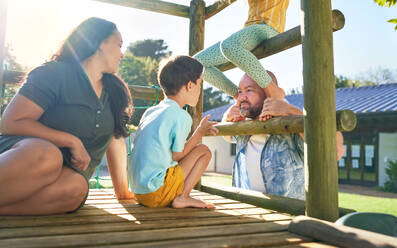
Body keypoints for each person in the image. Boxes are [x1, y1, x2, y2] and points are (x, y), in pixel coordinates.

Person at [0, 17, 134, 215]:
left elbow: (115, 139)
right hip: (24, 158)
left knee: (77, 188)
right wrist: (71, 141)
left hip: (65, 175)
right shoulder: (54, 73)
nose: (122, 54)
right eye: (119, 45)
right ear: (98, 43)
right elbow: (11, 123)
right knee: (48, 156)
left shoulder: (115, 91)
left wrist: (122, 190)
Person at [222, 73, 345, 200]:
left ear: (268, 95)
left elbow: (335, 150)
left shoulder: (288, 126)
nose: (241, 97)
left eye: (249, 90)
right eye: (240, 91)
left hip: (289, 215)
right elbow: (226, 137)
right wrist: (227, 116)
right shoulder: (244, 127)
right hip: (249, 210)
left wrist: (290, 111)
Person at [129, 55, 218, 209]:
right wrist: (199, 132)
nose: (199, 90)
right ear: (190, 85)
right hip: (155, 193)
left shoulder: (151, 112)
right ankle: (183, 197)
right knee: (203, 151)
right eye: (199, 84)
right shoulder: (181, 115)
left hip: (138, 192)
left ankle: (181, 195)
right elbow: (177, 155)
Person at [194, 0, 289, 99]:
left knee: (229, 45)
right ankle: (239, 96)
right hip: (249, 30)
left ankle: (273, 90)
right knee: (196, 63)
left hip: (269, 27)